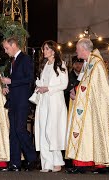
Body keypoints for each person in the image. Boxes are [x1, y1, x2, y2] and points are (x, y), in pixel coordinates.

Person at [65, 38, 109, 174]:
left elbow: (94, 86)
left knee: (96, 132)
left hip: (97, 107)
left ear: (84, 49)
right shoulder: (88, 62)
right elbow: (84, 83)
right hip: (88, 106)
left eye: (78, 49)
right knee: (88, 134)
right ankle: (85, 163)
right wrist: (75, 90)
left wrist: (78, 91)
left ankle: (96, 164)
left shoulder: (96, 63)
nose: (76, 51)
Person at [1, 36, 37, 171]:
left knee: (20, 130)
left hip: (22, 101)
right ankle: (15, 163)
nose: (5, 51)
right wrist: (7, 88)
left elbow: (29, 79)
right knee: (13, 132)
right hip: (13, 100)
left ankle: (32, 158)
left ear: (14, 45)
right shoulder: (13, 61)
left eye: (7, 48)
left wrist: (11, 82)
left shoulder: (25, 59)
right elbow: (16, 80)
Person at [34, 40, 68, 172]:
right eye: (43, 49)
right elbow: (44, 82)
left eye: (47, 49)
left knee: (52, 130)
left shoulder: (60, 64)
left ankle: (57, 161)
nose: (44, 51)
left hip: (55, 102)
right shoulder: (45, 65)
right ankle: (47, 163)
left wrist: (48, 88)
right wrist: (39, 87)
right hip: (44, 101)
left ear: (53, 50)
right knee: (42, 130)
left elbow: (64, 84)